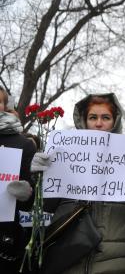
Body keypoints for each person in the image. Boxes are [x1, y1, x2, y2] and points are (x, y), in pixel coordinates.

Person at [32, 93, 125, 273]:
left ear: (115, 121)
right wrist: (38, 177)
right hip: (68, 260)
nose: (99, 123)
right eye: (93, 117)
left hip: (117, 261)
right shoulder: (62, 152)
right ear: (84, 121)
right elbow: (44, 209)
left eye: (105, 117)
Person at [0, 87, 36, 273]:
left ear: (5, 107)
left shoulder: (22, 144)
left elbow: (31, 201)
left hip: (5, 236)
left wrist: (27, 191)